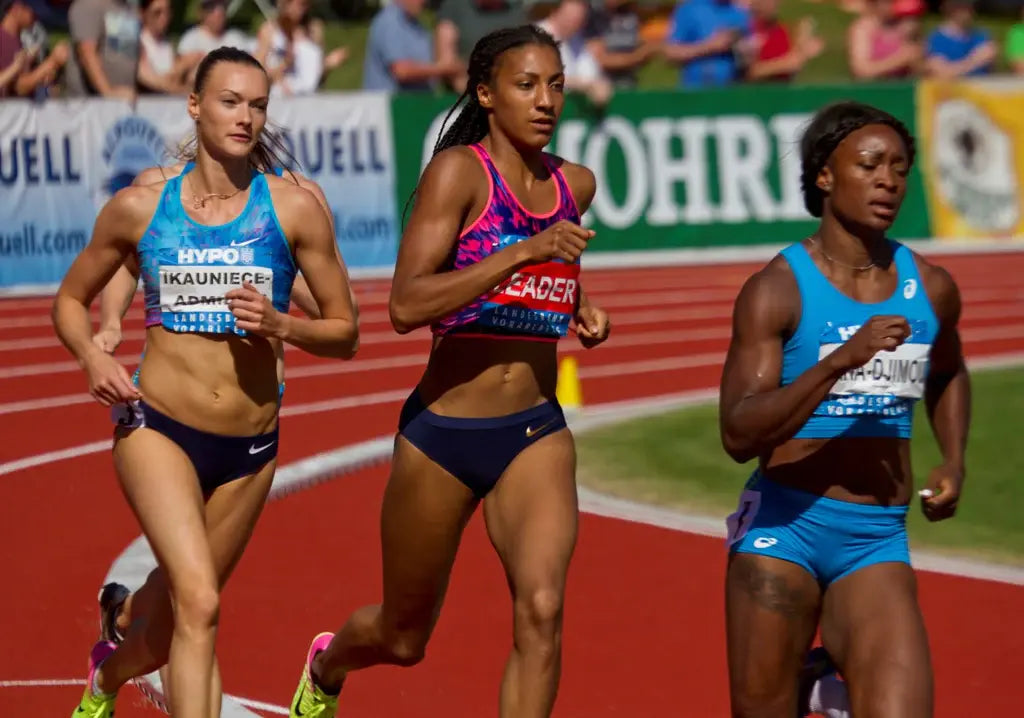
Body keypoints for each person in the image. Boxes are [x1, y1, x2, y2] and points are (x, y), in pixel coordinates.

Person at [286, 24, 611, 718]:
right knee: (404, 638)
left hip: (534, 431)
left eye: (555, 84)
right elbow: (407, 303)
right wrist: (523, 255)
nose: (546, 99)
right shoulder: (460, 173)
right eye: (527, 85)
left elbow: (549, 270)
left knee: (543, 610)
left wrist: (579, 300)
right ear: (487, 94)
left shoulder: (573, 184)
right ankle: (329, 663)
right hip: (444, 437)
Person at [52, 45, 359, 718]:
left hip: (249, 451)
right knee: (201, 602)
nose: (245, 116)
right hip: (157, 428)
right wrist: (94, 354)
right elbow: (69, 299)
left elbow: (346, 331)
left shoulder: (295, 208)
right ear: (194, 106)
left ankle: (105, 679)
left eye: (257, 104)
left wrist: (282, 325)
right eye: (229, 101)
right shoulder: (140, 205)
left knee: (165, 633)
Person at [718, 100, 970, 718]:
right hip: (785, 528)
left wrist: (954, 461)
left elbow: (949, 370)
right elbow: (738, 431)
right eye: (870, 164)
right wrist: (837, 363)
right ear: (825, 176)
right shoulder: (777, 289)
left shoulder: (929, 286)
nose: (889, 179)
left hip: (875, 536)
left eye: (901, 168)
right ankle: (813, 679)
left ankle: (825, 673)